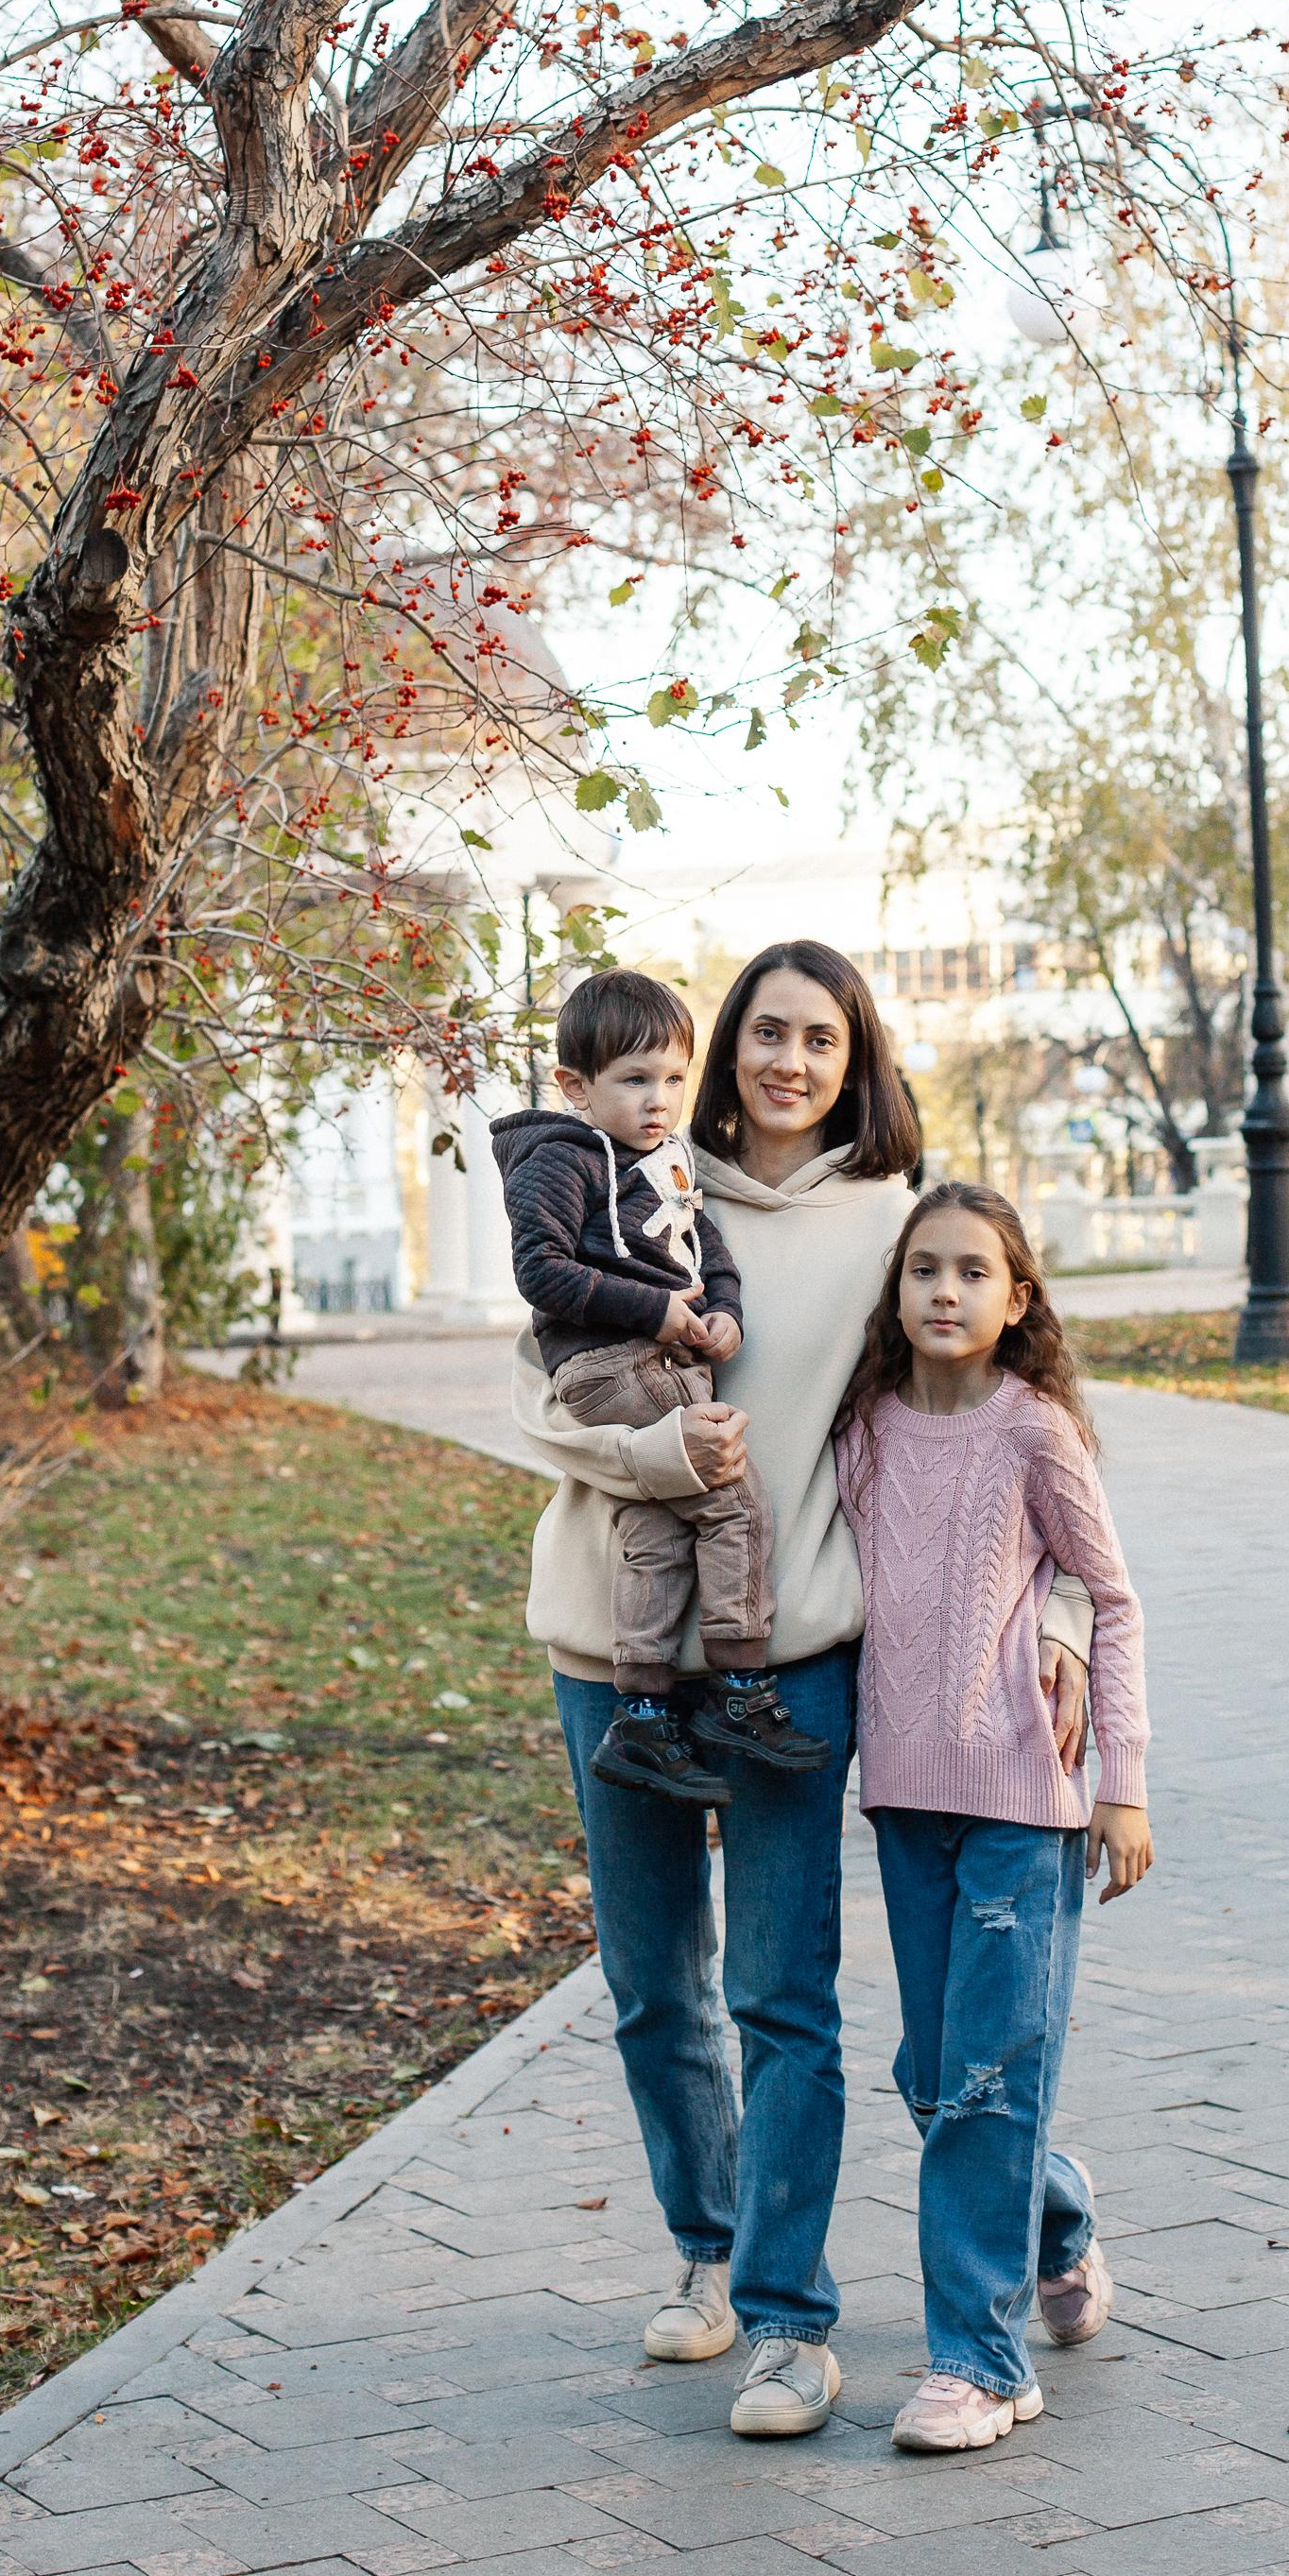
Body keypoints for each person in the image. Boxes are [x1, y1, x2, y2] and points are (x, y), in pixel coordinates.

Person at [514, 940, 1099, 2440]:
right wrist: (657, 1461)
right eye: (765, 1033)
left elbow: (993, 1423)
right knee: (655, 1985)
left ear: (859, 1061)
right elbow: (541, 1402)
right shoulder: (633, 1175)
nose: (787, 1061)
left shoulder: (898, 1225)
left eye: (818, 1039)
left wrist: (1070, 1626)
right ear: (725, 1052)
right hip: (615, 1637)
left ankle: (789, 2325)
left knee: (783, 1998)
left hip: (792, 1655)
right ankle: (706, 2258)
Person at [834, 1180, 1153, 2456]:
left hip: (1026, 1805)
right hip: (905, 1800)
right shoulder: (863, 1431)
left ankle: (980, 2361)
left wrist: (1119, 1782)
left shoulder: (1035, 1435)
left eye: (974, 1272)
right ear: (896, 1292)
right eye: (924, 1270)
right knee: (937, 2077)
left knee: (984, 2082)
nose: (945, 1292)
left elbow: (1108, 1597)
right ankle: (1059, 2222)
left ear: (1018, 1300)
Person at [490, 969, 833, 1801]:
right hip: (610, 1365)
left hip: (662, 1355)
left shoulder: (667, 1160)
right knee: (732, 1502)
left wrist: (723, 1312)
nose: (659, 1099)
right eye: (635, 1080)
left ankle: (640, 1713)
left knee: (655, 1528)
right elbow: (539, 1271)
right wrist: (656, 1315)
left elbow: (704, 1248)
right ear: (575, 1086)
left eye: (674, 1078)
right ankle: (741, 1688)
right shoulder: (559, 1160)